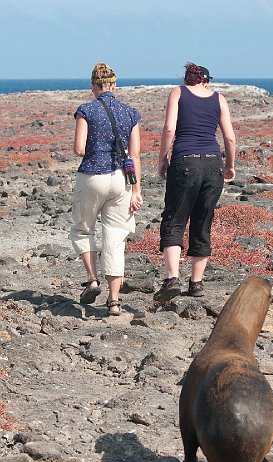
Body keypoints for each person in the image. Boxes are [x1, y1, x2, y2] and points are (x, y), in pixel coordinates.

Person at [154, 62, 236, 301]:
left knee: (174, 218)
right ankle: (196, 283)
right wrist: (229, 166)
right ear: (206, 81)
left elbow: (169, 129)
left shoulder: (178, 93)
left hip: (185, 161)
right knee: (203, 220)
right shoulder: (219, 99)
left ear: (187, 79)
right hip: (213, 164)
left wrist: (162, 159)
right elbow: (229, 138)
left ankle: (172, 279)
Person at [71, 62, 143, 315]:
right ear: (115, 84)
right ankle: (114, 302)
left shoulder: (86, 110)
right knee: (115, 237)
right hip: (121, 180)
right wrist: (136, 190)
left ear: (93, 86)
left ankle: (92, 279)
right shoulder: (130, 113)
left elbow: (79, 149)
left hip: (92, 175)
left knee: (83, 229)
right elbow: (134, 154)